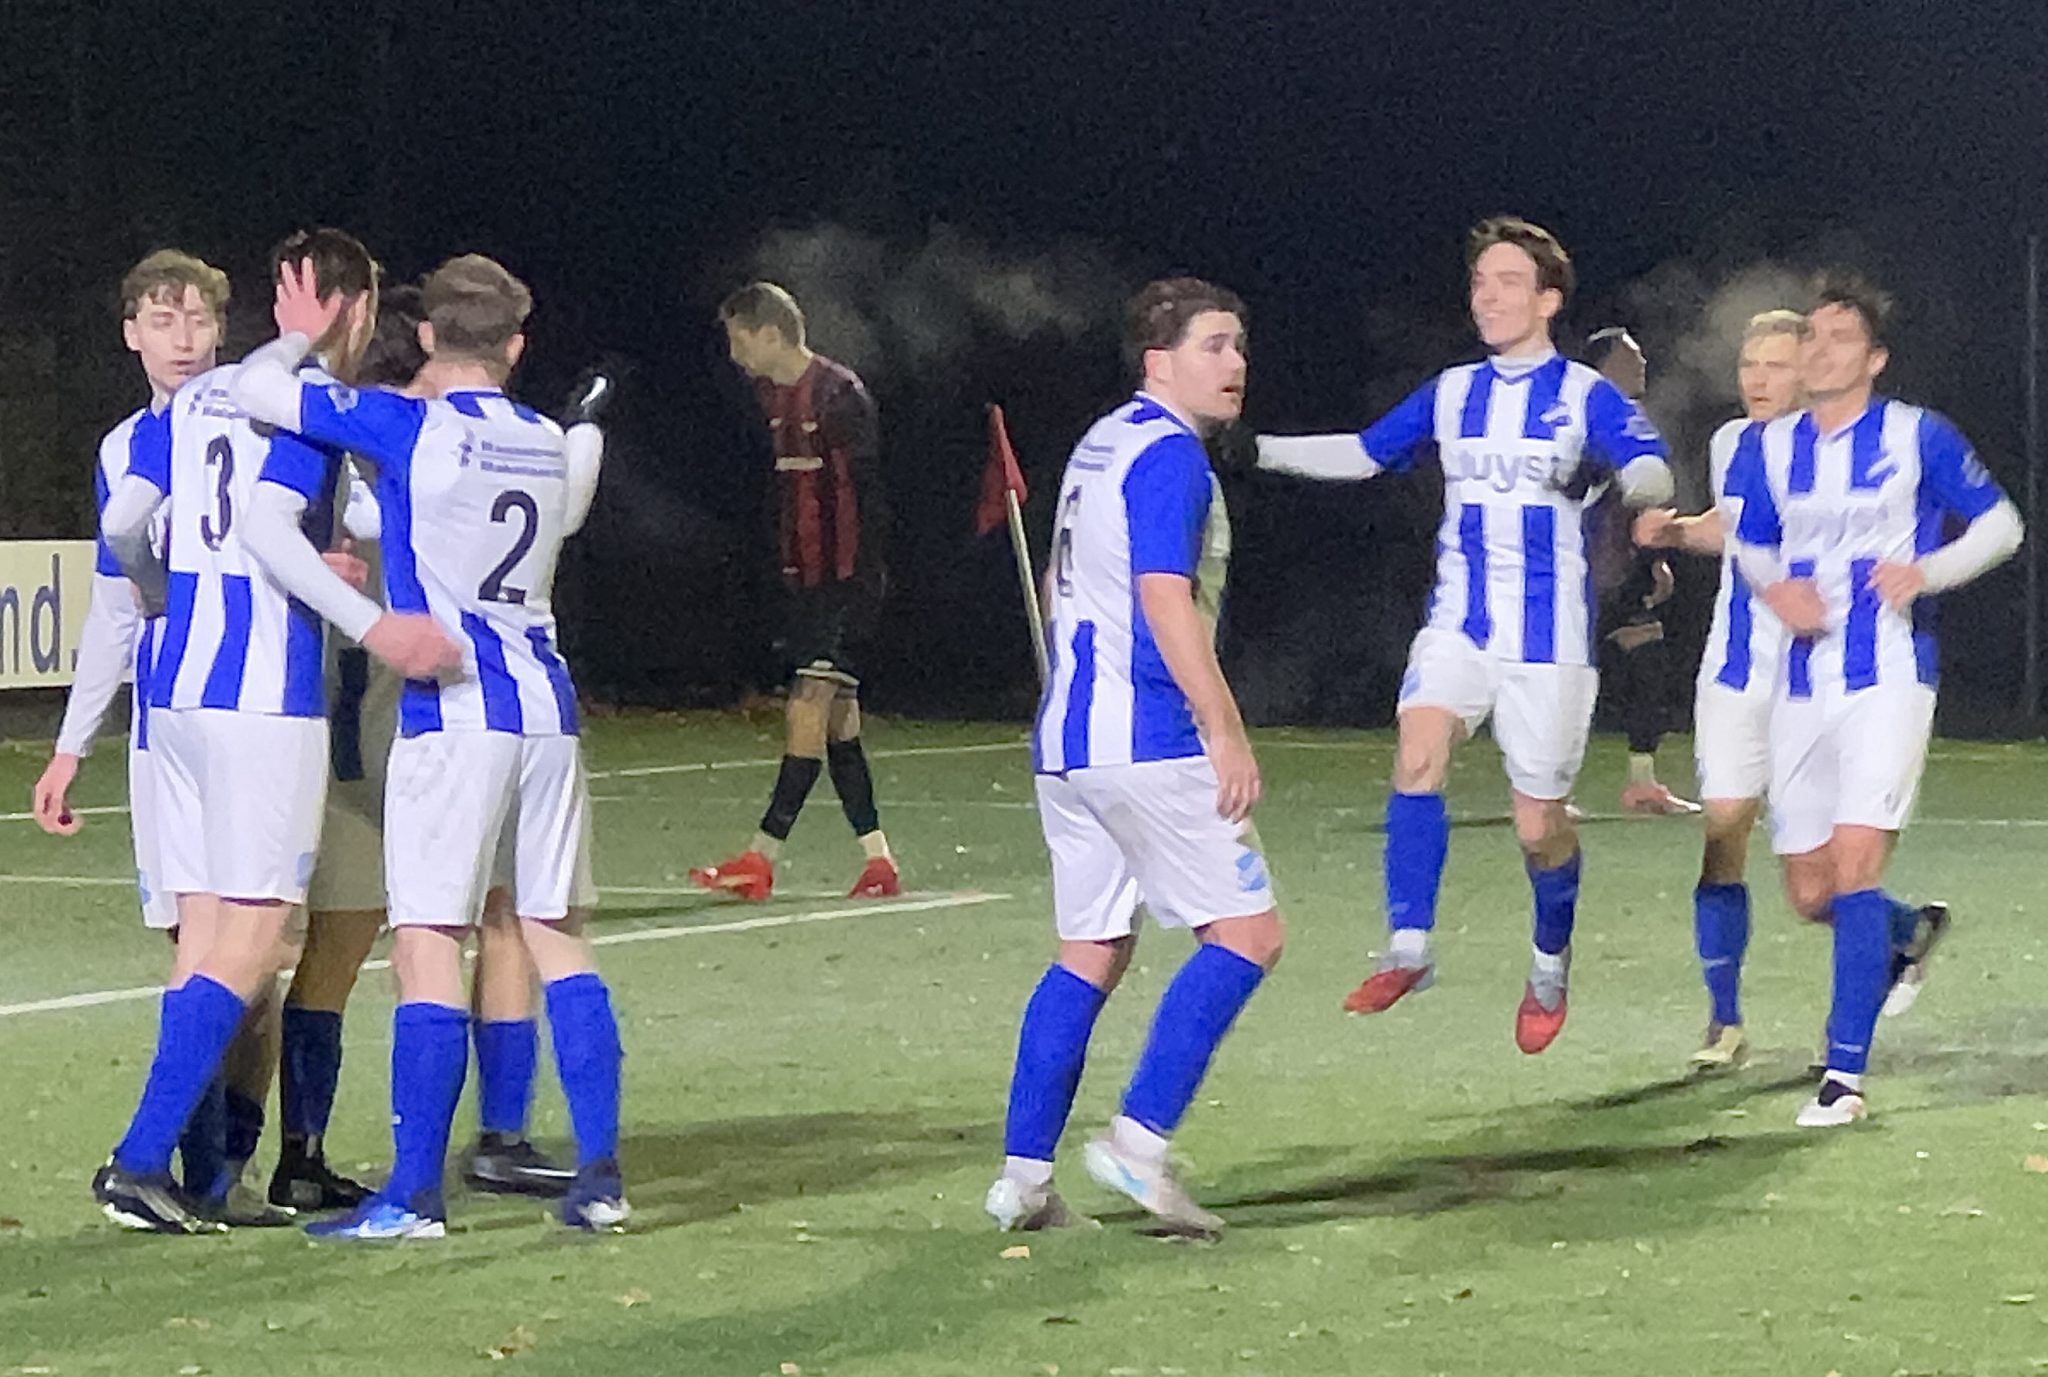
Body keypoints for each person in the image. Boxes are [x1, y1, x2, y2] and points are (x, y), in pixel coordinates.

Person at [227, 252, 624, 1235]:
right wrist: (586, 424)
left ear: (431, 335)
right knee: (556, 936)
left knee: (426, 942)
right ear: (518, 346)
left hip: (453, 711)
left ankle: (412, 1194)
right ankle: (601, 1179)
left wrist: (299, 335)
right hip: (547, 708)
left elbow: (258, 391)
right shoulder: (543, 438)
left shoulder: (409, 424)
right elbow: (569, 502)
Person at [92, 228, 454, 1233]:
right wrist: (368, 617)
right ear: (358, 308)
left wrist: (172, 593)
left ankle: (205, 1176)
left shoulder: (195, 398)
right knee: (255, 937)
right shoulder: (305, 404)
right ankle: (138, 1161)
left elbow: (124, 526)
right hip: (263, 695)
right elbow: (272, 526)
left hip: (180, 694)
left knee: (210, 935)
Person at [1258, 217, 1672, 1052]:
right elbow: (1367, 453)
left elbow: (1654, 468)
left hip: (1548, 639)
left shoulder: (1585, 394)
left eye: (1508, 281)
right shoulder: (1451, 392)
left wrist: (1621, 474)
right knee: (1418, 750)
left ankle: (1549, 963)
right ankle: (1409, 948)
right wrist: (1254, 449)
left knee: (1539, 827)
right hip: (1460, 619)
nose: (1487, 296)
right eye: (1480, 281)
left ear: (1548, 300)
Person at [987, 277, 1283, 1237]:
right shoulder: (1170, 457)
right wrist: (1223, 728)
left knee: (1090, 949)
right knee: (1247, 935)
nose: (1235, 363)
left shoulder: (1101, 443)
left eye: (1238, 345)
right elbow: (1164, 598)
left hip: (1067, 741)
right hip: (1147, 738)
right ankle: (1138, 1142)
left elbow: (1059, 576)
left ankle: (1024, 1181)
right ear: (1159, 361)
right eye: (1214, 345)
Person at [1726, 274, 2023, 1126]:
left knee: (1856, 867)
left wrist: (1927, 572)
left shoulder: (1915, 434)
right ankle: (1903, 933)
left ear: (1876, 358)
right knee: (1810, 891)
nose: (1820, 350)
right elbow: (1749, 538)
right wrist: (1775, 586)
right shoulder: (1767, 445)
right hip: (1800, 682)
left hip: (1889, 676)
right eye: (1812, 337)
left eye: (1840, 338)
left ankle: (1843, 1079)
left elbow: (2002, 525)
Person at [690, 284, 899, 901]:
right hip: (805, 583)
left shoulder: (839, 395)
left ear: (772, 335)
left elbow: (866, 503)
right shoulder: (772, 398)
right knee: (838, 725)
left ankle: (761, 857)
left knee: (805, 708)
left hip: (844, 583)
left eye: (740, 339)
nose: (734, 354)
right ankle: (879, 863)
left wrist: (855, 590)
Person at [1585, 327, 1697, 817]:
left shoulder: (1633, 421)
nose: (1643, 364)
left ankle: (1643, 784)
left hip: (1621, 573)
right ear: (1604, 366)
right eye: (1632, 358)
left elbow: (1638, 504)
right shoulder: (1578, 418)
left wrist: (1654, 561)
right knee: (1558, 683)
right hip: (1576, 573)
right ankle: (1538, 790)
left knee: (1649, 668)